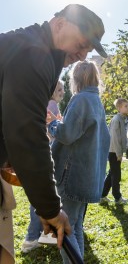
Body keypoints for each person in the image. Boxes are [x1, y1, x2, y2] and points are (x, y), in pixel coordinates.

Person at [0, 3, 107, 257]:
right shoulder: (33, 53)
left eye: (87, 50)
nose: (82, 55)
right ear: (59, 24)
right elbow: (28, 134)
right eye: (80, 45)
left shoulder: (41, 51)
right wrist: (49, 208)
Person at [48, 60, 110, 263]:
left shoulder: (81, 99)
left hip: (73, 175)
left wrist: (52, 124)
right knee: (75, 226)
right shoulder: (96, 101)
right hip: (87, 176)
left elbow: (67, 134)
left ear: (74, 79)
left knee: (65, 228)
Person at [22, 80, 65, 253]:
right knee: (44, 195)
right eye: (60, 90)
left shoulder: (46, 103)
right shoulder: (52, 104)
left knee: (42, 195)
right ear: (53, 91)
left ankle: (43, 234)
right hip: (47, 151)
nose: (62, 92)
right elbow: (50, 130)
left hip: (42, 150)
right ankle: (32, 237)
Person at [101, 98, 128, 204]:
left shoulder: (122, 119)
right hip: (113, 151)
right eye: (125, 106)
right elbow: (114, 138)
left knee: (112, 174)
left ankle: (102, 195)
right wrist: (119, 153)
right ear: (119, 108)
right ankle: (117, 197)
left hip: (116, 151)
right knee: (116, 175)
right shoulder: (116, 119)